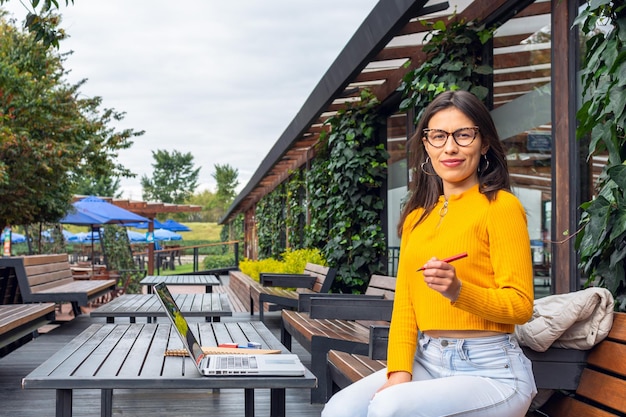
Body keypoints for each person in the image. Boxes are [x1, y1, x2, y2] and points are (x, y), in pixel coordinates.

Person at [321, 90, 536, 417]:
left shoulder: (501, 207)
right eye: (438, 136)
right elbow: (405, 306)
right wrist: (398, 374)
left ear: (485, 143)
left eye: (464, 135)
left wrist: (458, 290)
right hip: (428, 359)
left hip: (491, 371)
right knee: (340, 410)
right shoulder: (416, 218)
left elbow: (521, 306)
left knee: (389, 409)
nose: (450, 147)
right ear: (426, 145)